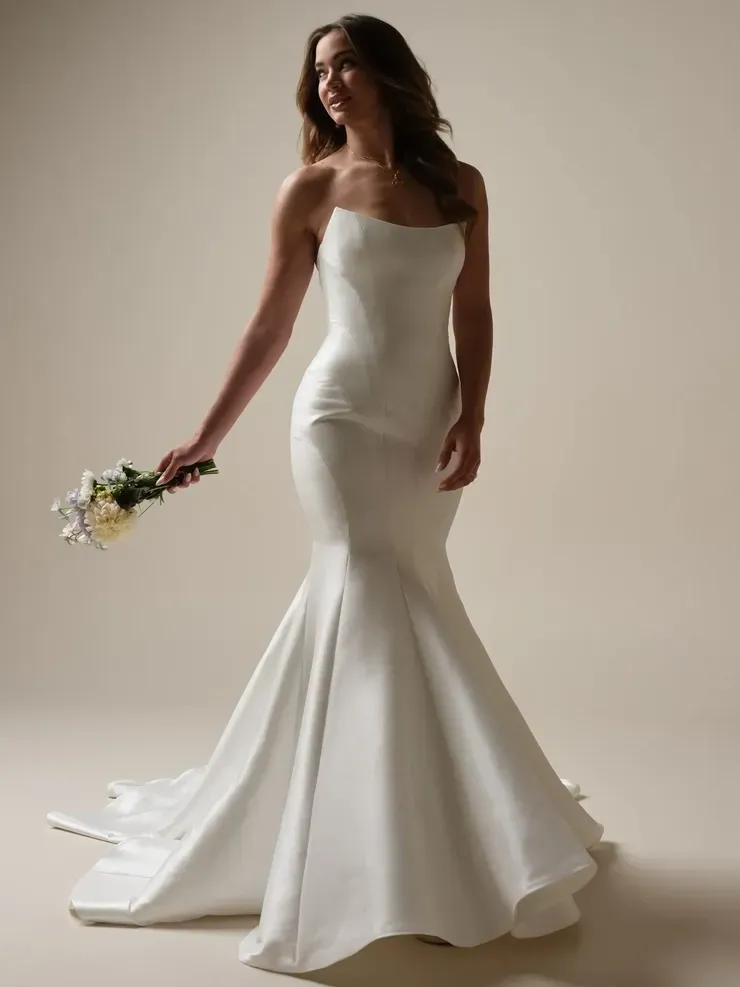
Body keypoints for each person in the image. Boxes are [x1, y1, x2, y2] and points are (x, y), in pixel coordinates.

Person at [47, 14, 604, 975]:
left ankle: (433, 833)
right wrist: (208, 435)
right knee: (371, 588)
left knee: (415, 594)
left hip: (428, 422)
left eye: (346, 63)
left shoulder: (459, 184)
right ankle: (392, 857)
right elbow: (269, 327)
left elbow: (474, 313)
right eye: (319, 72)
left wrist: (474, 415)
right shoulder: (310, 188)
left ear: (388, 71)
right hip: (340, 420)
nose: (330, 83)